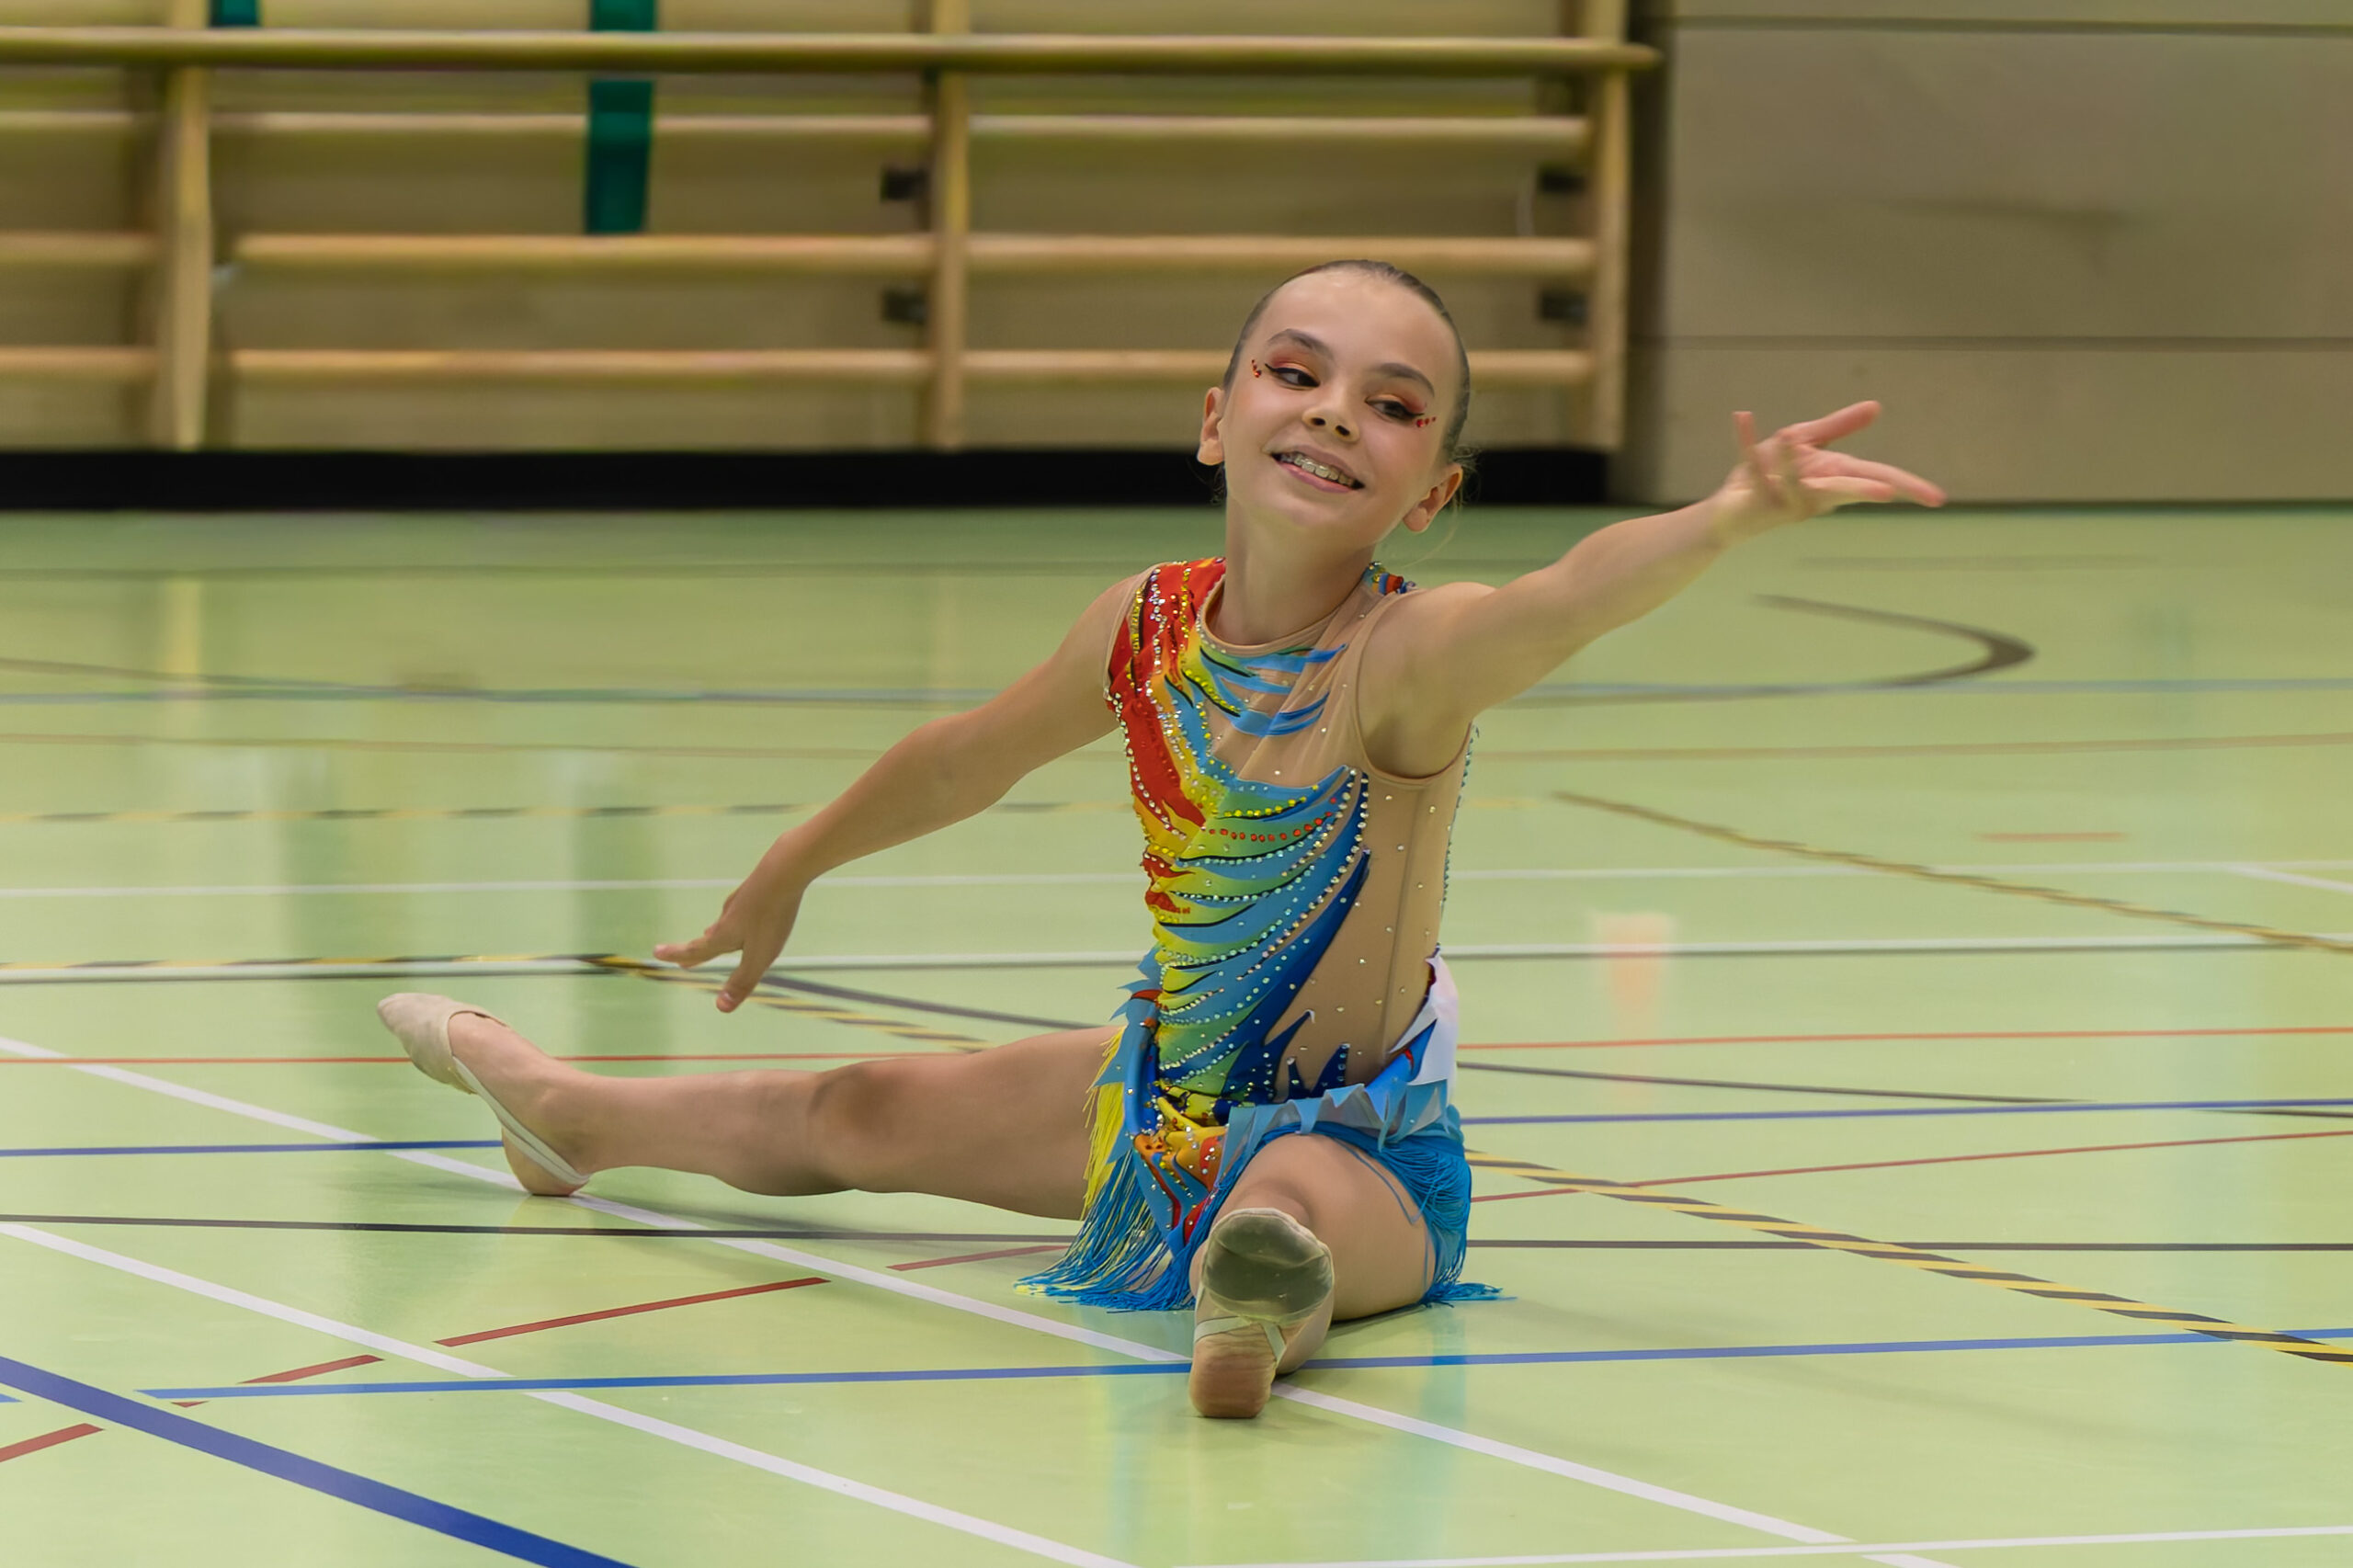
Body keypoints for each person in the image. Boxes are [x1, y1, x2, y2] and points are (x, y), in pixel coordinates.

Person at [377, 258, 1944, 1419]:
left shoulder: (1406, 659)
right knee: (856, 1108)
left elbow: (1566, 596)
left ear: (1432, 492)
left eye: (1393, 405)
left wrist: (1726, 516)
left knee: (1283, 1209)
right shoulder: (1144, 626)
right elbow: (963, 757)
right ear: (1216, 418)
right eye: (1296, 372)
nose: (1334, 411)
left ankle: (1255, 1303)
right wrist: (792, 864)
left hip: (1367, 1154)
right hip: (1156, 1104)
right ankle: (568, 1114)